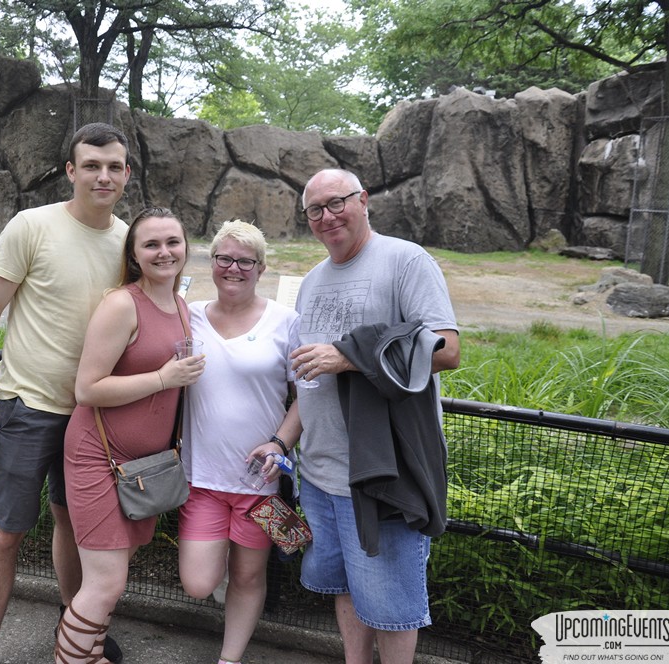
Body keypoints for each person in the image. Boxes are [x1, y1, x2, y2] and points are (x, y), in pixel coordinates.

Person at [0, 122, 132, 664]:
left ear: (126, 174)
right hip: (28, 406)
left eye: (115, 166)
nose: (104, 175)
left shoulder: (129, 241)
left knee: (74, 524)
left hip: (94, 415)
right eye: (92, 165)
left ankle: (74, 625)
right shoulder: (31, 226)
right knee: (5, 531)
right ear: (71, 171)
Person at [289, 168, 460, 664]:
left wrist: (349, 357)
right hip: (318, 474)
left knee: (391, 604)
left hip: (382, 472)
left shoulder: (405, 260)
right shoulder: (312, 281)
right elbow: (307, 381)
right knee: (346, 587)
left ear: (363, 200)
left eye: (337, 202)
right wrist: (284, 444)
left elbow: (447, 350)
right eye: (315, 210)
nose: (327, 216)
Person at [55, 207, 205, 664]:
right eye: (152, 244)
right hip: (99, 457)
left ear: (185, 248)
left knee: (112, 577)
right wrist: (163, 379)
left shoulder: (179, 304)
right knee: (105, 582)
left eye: (172, 242)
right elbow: (87, 389)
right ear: (135, 255)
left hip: (142, 469)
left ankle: (91, 654)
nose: (164, 252)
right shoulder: (122, 303)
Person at [176, 219, 302, 664]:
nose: (234, 268)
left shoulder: (286, 322)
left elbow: (305, 398)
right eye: (224, 258)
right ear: (212, 263)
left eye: (245, 261)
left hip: (260, 482)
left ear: (261, 267)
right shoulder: (186, 316)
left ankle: (229, 658)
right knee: (197, 582)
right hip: (203, 477)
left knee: (249, 576)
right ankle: (220, 571)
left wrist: (280, 443)